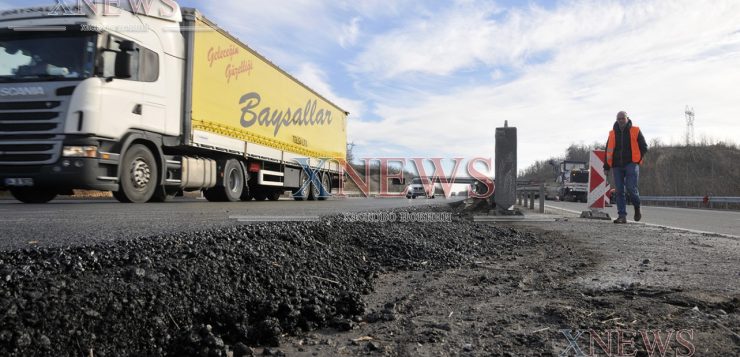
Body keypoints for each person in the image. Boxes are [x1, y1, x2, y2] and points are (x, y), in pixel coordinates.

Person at [603, 111, 648, 224]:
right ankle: (622, 216)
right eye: (619, 119)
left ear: (627, 118)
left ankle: (637, 207)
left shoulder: (635, 130)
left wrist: (637, 160)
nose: (621, 120)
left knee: (631, 188)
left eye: (623, 118)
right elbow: (608, 150)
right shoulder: (612, 133)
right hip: (617, 165)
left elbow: (644, 147)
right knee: (619, 191)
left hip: (631, 164)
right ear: (616, 120)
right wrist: (606, 166)